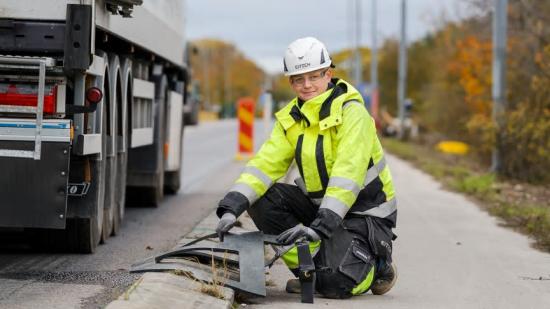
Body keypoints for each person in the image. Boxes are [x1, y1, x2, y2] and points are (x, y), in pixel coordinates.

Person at [216, 37, 397, 298]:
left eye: (314, 76)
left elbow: (349, 174)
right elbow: (264, 165)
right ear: (291, 82)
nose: (307, 85)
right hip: (323, 210)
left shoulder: (352, 113)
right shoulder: (291, 118)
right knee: (263, 198)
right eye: (299, 79)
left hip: (364, 215)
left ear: (328, 74)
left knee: (338, 286)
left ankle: (379, 266)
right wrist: (232, 207)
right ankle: (309, 272)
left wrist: (319, 227)